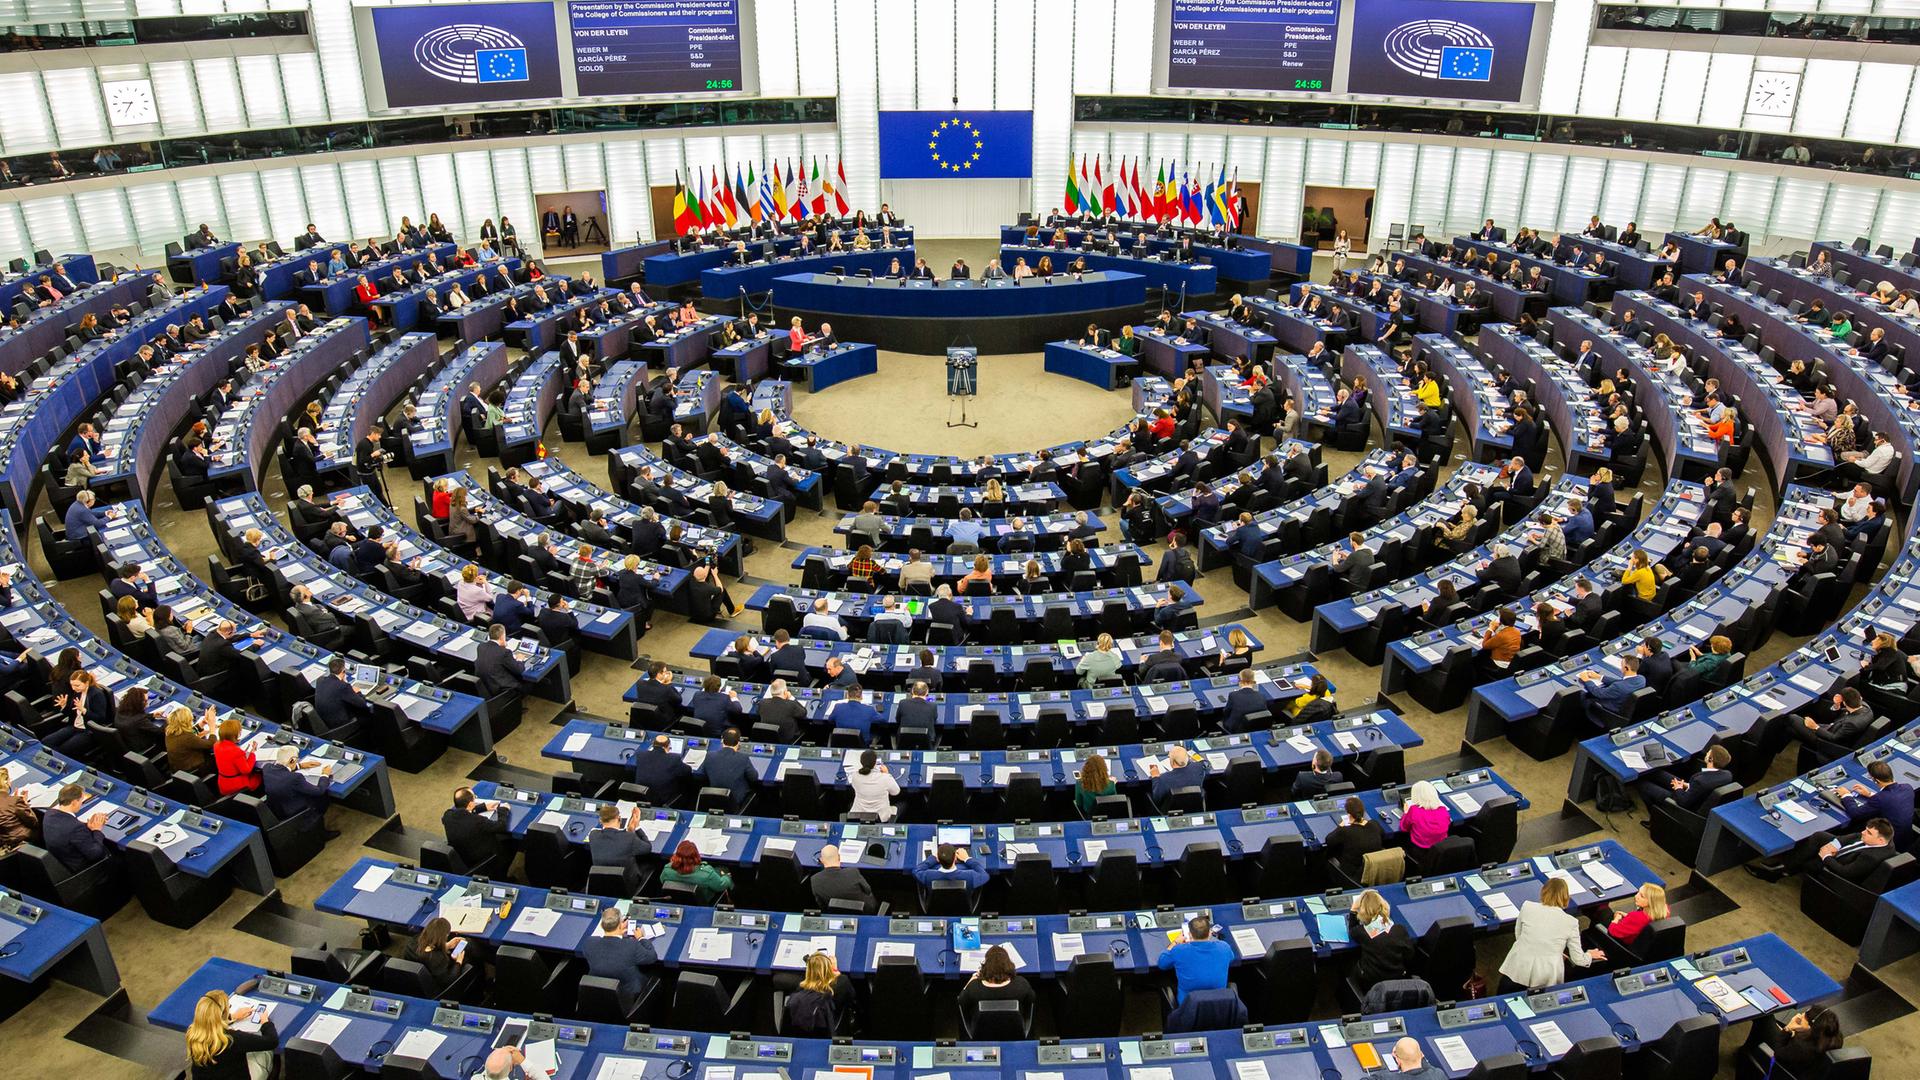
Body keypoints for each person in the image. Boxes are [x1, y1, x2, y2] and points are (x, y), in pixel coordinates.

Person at [1498, 877, 1606, 991]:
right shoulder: (1571, 922)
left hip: (1518, 965)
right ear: (1566, 897)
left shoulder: (1527, 907)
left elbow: (1519, 935)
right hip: (1545, 974)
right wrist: (1589, 955)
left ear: (1543, 892)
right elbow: (1578, 959)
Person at [186, 987, 278, 1080]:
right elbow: (272, 1041)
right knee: (266, 1052)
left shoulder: (192, 1033)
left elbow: (211, 1023)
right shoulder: (232, 1039)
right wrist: (266, 1022)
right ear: (223, 1013)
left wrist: (232, 1017)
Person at [583, 906, 661, 1013]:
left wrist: (618, 932)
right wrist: (641, 938)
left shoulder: (589, 943)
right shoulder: (631, 945)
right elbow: (652, 957)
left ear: (601, 925)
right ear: (620, 924)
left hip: (598, 992)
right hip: (628, 997)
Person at [1348, 890, 1415, 991]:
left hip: (1371, 983)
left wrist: (1353, 910)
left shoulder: (1361, 932)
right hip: (1398, 979)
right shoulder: (1400, 929)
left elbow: (1352, 930)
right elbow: (1409, 955)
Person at [1752, 1005, 1845, 1076]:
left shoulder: (1801, 1047)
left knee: (1765, 1018)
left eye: (1804, 1017)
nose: (1800, 1015)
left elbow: (1778, 1053)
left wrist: (1788, 1029)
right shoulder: (1836, 1038)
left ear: (1811, 1027)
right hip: (1809, 1070)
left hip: (1787, 1066)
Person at [43, 784, 110, 873]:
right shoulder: (75, 828)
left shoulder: (49, 814)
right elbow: (95, 854)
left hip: (63, 862)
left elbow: (67, 825)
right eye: (81, 800)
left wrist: (87, 826)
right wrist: (97, 830)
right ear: (74, 802)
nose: (81, 803)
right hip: (84, 870)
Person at [786, 950, 854, 1036]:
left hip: (801, 1035)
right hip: (829, 1031)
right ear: (829, 968)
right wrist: (835, 970)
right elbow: (851, 997)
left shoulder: (800, 990)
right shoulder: (841, 983)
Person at [442, 787, 511, 870]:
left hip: (463, 855)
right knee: (512, 842)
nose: (476, 798)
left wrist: (482, 807)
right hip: (484, 858)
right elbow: (501, 827)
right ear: (470, 804)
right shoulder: (477, 821)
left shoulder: (447, 815)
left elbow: (464, 812)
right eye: (475, 797)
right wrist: (504, 810)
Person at [1325, 796, 1386, 882]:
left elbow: (1328, 840)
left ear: (1349, 815)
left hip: (1353, 876)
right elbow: (1383, 835)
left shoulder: (1344, 830)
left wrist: (1341, 825)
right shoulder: (1374, 824)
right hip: (1374, 870)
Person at [405, 917, 468, 993]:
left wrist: (446, 946)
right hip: (435, 989)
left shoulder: (413, 942)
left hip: (415, 981)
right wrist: (458, 962)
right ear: (445, 936)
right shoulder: (438, 959)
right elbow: (449, 980)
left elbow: (428, 949)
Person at [809, 843, 876, 912]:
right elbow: (868, 889)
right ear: (839, 857)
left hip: (834, 913)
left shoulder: (814, 880)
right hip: (864, 910)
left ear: (821, 860)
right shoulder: (852, 872)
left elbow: (821, 904)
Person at [661, 839, 733, 901]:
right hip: (703, 902)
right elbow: (720, 886)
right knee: (722, 869)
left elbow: (662, 881)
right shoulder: (707, 874)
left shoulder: (667, 870)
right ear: (696, 856)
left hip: (676, 900)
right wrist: (727, 877)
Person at [633, 733, 696, 805]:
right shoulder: (674, 758)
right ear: (668, 746)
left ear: (653, 744)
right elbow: (687, 771)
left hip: (641, 796)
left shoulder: (641, 755)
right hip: (662, 799)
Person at [1398, 780, 1451, 851]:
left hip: (1420, 849)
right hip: (1440, 849)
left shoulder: (1414, 810)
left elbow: (1404, 828)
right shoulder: (1443, 810)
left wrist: (1406, 813)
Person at [913, 842, 989, 890]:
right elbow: (985, 875)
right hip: (962, 904)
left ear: (938, 858)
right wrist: (967, 859)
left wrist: (932, 858)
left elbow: (916, 871)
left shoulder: (928, 875)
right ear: (955, 858)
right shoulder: (970, 876)